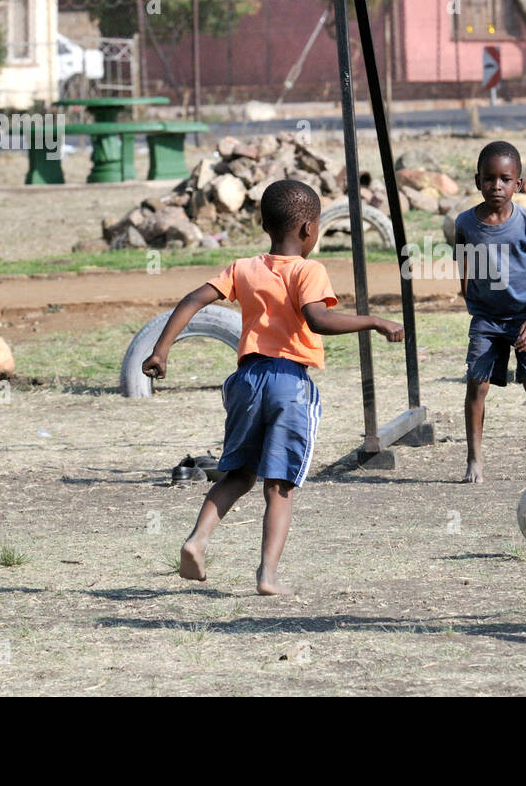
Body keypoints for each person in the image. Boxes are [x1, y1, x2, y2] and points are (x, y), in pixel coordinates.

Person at [141, 179, 404, 594]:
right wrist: (374, 321)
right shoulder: (308, 270)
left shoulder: (243, 267)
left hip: (246, 381)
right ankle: (267, 576)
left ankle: (197, 540)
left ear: (264, 224)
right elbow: (319, 320)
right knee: (279, 485)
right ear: (308, 230)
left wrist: (161, 350)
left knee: (238, 473)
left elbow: (192, 299)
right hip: (289, 383)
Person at [455, 140, 526, 484]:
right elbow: (464, 260)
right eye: (488, 179)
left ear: (519, 183)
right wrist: (469, 292)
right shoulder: (466, 223)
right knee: (477, 385)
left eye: (504, 179)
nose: (495, 186)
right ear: (477, 181)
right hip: (486, 320)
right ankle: (474, 459)